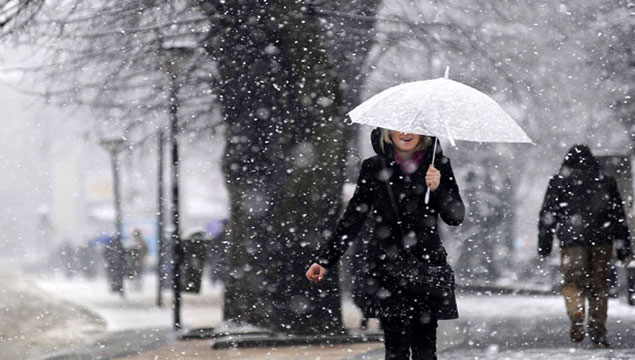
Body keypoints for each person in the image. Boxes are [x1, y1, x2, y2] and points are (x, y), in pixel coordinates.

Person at [306, 128, 465, 359]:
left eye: (413, 128)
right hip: (388, 269)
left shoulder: (437, 165)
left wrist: (438, 189)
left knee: (425, 349)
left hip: (426, 268)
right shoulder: (374, 167)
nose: (405, 133)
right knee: (395, 349)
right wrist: (325, 260)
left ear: (423, 134)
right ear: (387, 133)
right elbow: (353, 218)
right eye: (398, 127)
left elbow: (456, 217)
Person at [538, 144, 633, 348]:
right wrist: (624, 248)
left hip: (572, 243)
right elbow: (618, 217)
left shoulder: (559, 182)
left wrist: (544, 245)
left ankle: (576, 313)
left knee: (573, 283)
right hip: (602, 241)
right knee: (599, 287)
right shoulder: (606, 182)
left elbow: (548, 215)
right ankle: (598, 329)